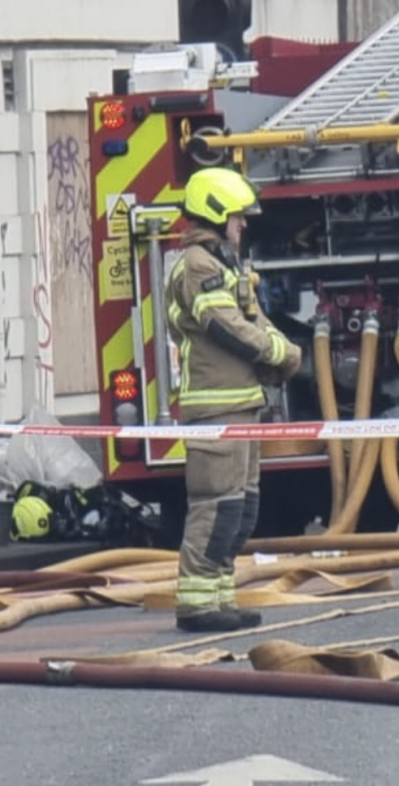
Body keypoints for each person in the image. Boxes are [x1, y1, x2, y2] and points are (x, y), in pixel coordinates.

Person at [166, 166, 301, 633]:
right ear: (217, 213)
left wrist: (278, 347)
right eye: (239, 217)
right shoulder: (198, 267)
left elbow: (252, 316)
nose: (244, 225)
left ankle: (219, 598)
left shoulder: (222, 263)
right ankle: (197, 606)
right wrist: (279, 352)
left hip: (241, 407)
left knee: (240, 509)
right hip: (216, 410)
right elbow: (223, 324)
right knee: (216, 505)